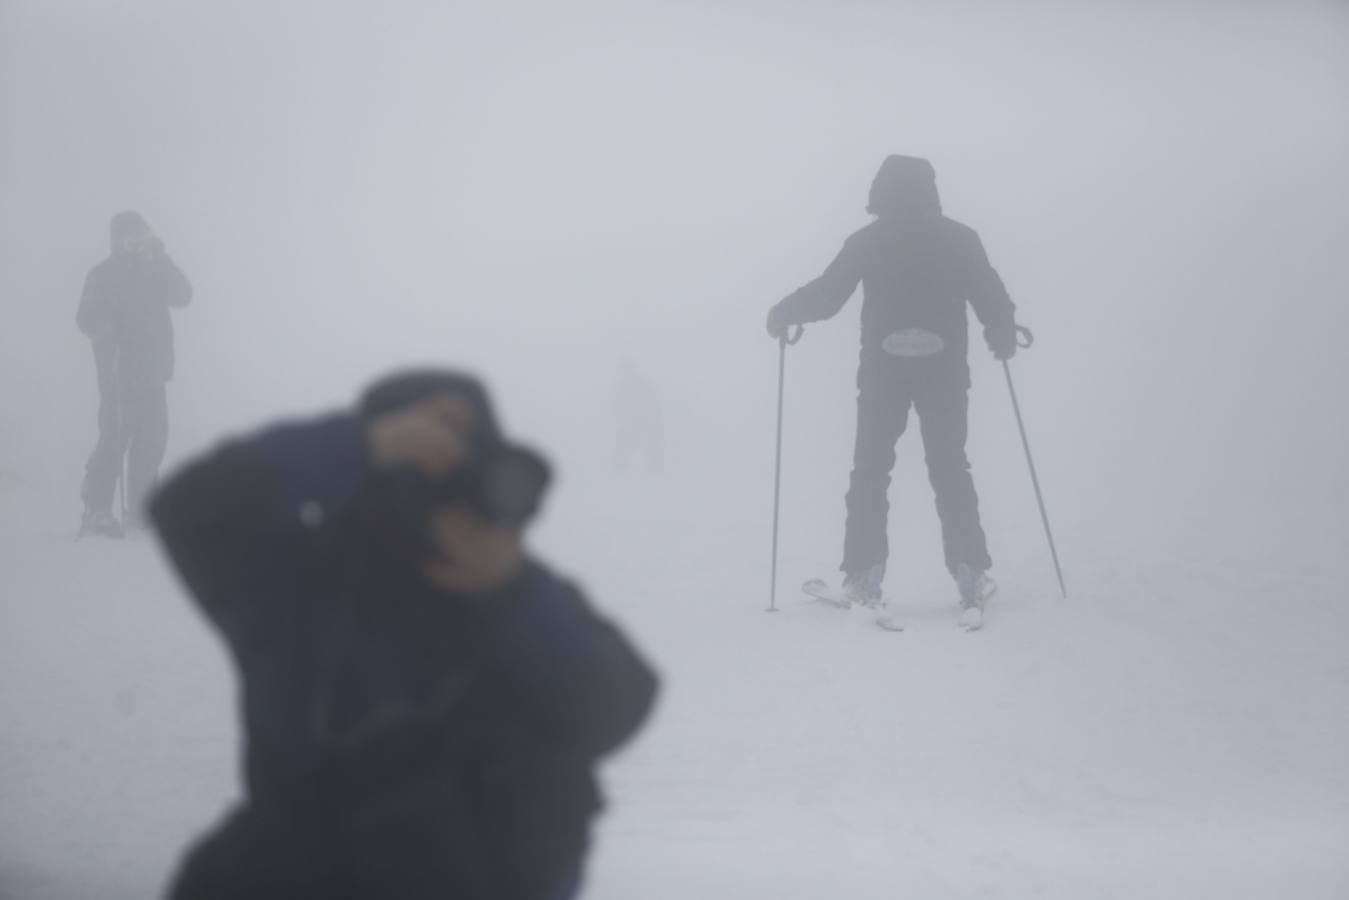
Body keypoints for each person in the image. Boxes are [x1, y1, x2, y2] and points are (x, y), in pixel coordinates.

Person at [150, 369, 659, 900]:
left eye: (466, 468)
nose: (446, 499)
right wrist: (360, 443)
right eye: (421, 472)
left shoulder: (518, 601)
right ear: (370, 478)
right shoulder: (302, 590)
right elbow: (190, 508)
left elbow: (616, 707)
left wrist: (512, 592)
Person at [766, 155, 1019, 627]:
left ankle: (864, 576)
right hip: (944, 371)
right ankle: (969, 573)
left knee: (871, 469)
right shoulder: (960, 239)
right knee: (949, 466)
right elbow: (990, 294)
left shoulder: (869, 241)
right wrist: (1001, 333)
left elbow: (828, 294)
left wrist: (783, 312)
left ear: (880, 189)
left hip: (883, 372)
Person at [76, 210, 193, 537]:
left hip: (154, 372)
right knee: (114, 437)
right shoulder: (102, 274)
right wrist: (107, 330)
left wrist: (163, 258)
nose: (138, 245)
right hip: (116, 372)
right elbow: (85, 318)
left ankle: (140, 512)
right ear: (119, 241)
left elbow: (184, 295)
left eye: (143, 238)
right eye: (132, 239)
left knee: (152, 441)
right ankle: (97, 509)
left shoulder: (155, 270)